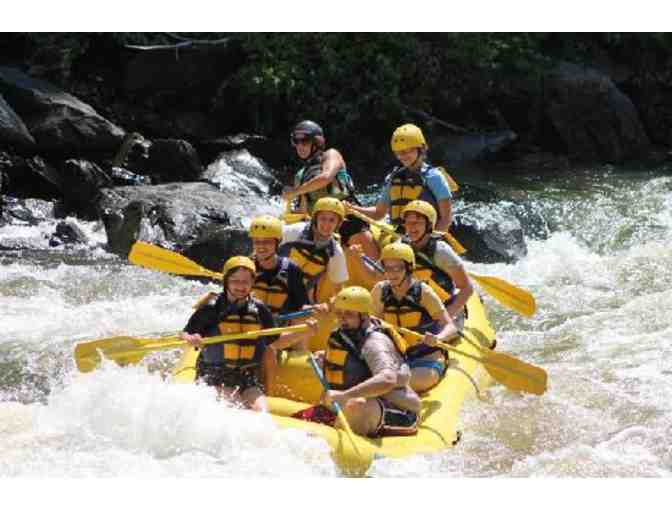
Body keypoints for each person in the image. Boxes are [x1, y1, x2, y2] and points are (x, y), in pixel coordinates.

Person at [179, 256, 317, 411]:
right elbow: (184, 333)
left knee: (262, 412)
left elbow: (275, 341)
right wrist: (192, 338)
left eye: (246, 281)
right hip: (214, 376)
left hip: (246, 378)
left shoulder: (259, 310)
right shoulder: (211, 308)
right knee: (235, 406)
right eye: (235, 281)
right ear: (226, 282)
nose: (240, 286)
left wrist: (304, 332)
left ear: (253, 283)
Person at [319, 286, 421, 437]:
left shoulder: (374, 342)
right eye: (339, 313)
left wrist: (346, 395)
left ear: (364, 316)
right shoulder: (346, 332)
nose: (342, 318)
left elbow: (388, 379)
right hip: (356, 400)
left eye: (349, 314)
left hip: (395, 408)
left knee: (356, 405)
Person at [282, 120, 379, 258]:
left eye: (304, 141)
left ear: (317, 143)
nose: (299, 146)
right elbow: (303, 210)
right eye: (295, 141)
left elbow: (326, 177)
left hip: (348, 221)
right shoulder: (300, 175)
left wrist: (295, 191)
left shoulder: (331, 155)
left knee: (373, 265)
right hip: (323, 228)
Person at [370, 243, 458, 393]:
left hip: (426, 361)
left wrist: (439, 338)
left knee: (392, 384)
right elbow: (372, 323)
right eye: (388, 268)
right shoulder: (380, 290)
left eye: (397, 268)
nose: (392, 273)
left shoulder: (423, 292)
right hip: (397, 360)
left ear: (409, 268)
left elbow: (451, 327)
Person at [347, 123, 454, 233]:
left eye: (408, 151)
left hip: (425, 236)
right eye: (399, 152)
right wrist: (352, 209)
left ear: (420, 149)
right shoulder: (394, 177)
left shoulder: (434, 177)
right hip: (400, 235)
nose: (403, 156)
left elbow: (446, 218)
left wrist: (430, 240)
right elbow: (378, 213)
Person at [401, 200, 473, 326]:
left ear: (429, 225)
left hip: (443, 309)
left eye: (417, 223)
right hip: (413, 310)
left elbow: (467, 288)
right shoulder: (399, 247)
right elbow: (379, 278)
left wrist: (447, 314)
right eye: (408, 222)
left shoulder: (441, 252)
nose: (411, 227)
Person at [278, 197, 350, 304]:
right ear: (315, 219)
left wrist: (332, 303)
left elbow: (338, 287)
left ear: (338, 224)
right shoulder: (296, 231)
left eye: (332, 220)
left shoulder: (334, 252)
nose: (326, 224)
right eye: (323, 218)